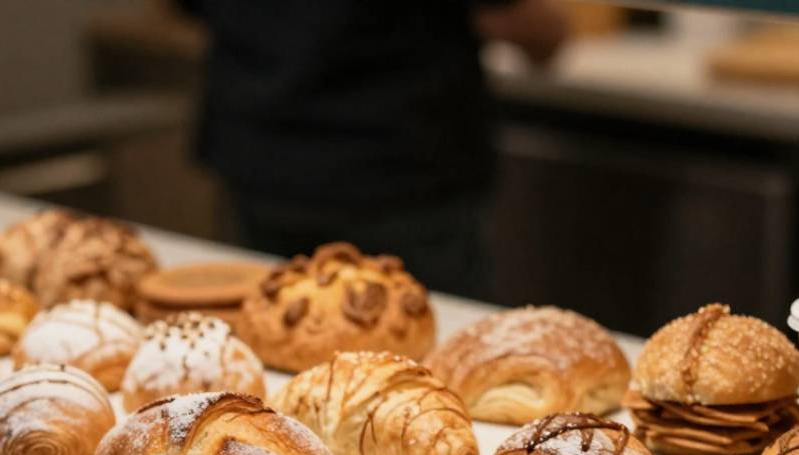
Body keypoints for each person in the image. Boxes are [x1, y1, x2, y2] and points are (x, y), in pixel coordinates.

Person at [178, 0, 568, 296]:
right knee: (427, 364)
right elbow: (526, 25)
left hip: (261, 154)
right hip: (398, 169)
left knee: (276, 343)